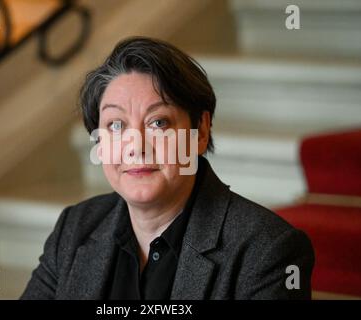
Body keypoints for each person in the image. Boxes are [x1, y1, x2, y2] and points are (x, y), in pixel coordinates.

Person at [21, 36, 314, 300]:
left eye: (158, 122)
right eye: (116, 125)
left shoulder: (267, 250)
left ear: (200, 130)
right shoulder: (75, 228)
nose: (136, 146)